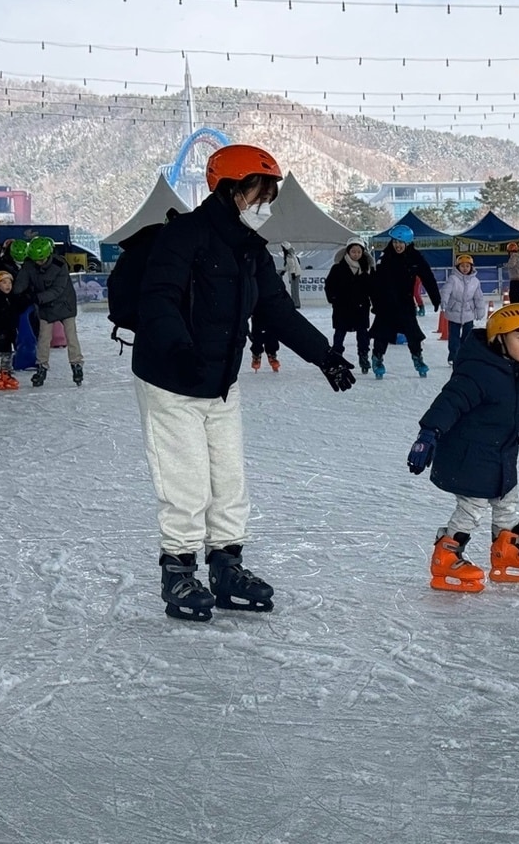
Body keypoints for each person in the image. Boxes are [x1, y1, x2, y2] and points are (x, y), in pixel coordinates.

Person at [133, 143, 356, 623]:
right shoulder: (185, 236)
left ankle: (227, 567)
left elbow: (276, 310)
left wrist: (326, 357)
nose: (265, 205)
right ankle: (178, 572)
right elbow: (158, 300)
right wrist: (180, 349)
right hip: (172, 380)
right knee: (186, 481)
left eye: (269, 195)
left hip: (220, 382)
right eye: (261, 193)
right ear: (233, 189)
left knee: (229, 481)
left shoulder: (252, 250)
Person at [406, 303, 519, 594]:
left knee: (507, 501)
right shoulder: (478, 371)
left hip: (501, 455)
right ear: (500, 338)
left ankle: (506, 552)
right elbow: (451, 401)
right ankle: (445, 556)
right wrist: (428, 434)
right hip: (470, 454)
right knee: (472, 507)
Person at [370, 224, 441, 379]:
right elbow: (376, 282)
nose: (397, 245)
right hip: (386, 303)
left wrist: (435, 298)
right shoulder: (386, 256)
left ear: (407, 243)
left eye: (400, 242)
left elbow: (427, 277)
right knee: (382, 334)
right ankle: (377, 359)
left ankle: (418, 359)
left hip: (405, 303)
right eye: (395, 241)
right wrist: (376, 302)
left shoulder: (415, 257)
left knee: (412, 333)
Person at [15, 237, 82, 387]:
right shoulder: (30, 264)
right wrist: (17, 293)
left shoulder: (60, 265)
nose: (38, 263)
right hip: (46, 307)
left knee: (71, 336)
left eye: (41, 259)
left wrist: (36, 297)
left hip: (64, 304)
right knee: (44, 338)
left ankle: (76, 364)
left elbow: (57, 290)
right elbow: (22, 281)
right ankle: (42, 366)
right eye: (35, 260)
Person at [324, 238, 375, 373]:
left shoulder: (367, 269)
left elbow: (373, 289)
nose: (356, 254)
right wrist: (333, 299)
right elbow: (329, 285)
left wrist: (375, 303)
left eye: (359, 252)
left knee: (363, 334)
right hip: (342, 307)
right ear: (348, 252)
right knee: (340, 333)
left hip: (361, 308)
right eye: (353, 251)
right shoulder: (337, 268)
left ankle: (363, 356)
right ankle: (336, 356)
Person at [443, 253, 486, 365]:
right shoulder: (453, 279)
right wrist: (444, 301)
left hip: (468, 312)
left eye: (467, 266)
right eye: (462, 266)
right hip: (454, 311)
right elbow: (446, 291)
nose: (465, 268)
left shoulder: (475, 281)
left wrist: (480, 310)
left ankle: (464, 355)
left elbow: (478, 297)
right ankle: (453, 356)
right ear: (458, 267)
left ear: (471, 267)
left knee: (467, 337)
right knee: (454, 337)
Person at [0, 269, 26, 391]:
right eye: (4, 283)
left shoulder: (11, 298)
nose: (8, 285)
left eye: (9, 282)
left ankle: (5, 373)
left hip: (8, 333)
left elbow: (19, 308)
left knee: (7, 354)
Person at [281, 242, 302, 308]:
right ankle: (295, 303)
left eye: (282, 248)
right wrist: (284, 270)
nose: (282, 249)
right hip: (296, 273)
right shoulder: (292, 253)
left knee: (294, 289)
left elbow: (292, 265)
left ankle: (296, 304)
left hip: (295, 273)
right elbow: (288, 265)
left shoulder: (289, 255)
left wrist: (293, 273)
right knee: (294, 289)